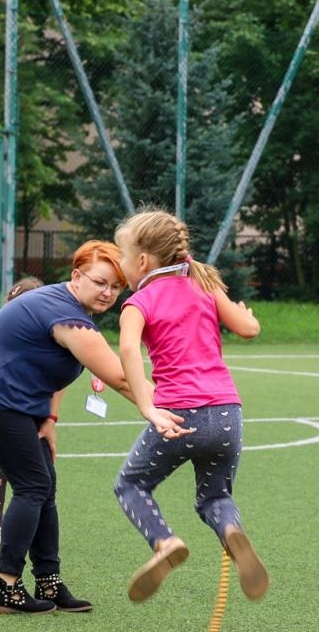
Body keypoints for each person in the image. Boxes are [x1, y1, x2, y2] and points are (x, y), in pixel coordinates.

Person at [0, 241, 156, 614]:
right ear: (76, 276)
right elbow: (121, 379)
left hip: (21, 403)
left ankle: (48, 582)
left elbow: (53, 371)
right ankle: (5, 588)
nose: (108, 292)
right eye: (101, 282)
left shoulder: (72, 309)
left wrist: (49, 419)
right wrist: (168, 410)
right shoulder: (65, 315)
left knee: (45, 486)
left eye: (116, 287)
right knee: (33, 485)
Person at [112, 209, 268, 602]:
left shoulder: (138, 301)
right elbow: (249, 329)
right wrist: (246, 314)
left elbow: (129, 348)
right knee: (215, 496)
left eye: (123, 257)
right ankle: (231, 532)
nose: (122, 266)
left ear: (143, 261)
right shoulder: (205, 285)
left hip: (178, 416)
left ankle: (165, 543)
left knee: (131, 484)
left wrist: (147, 404)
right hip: (228, 414)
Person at [0, 275, 44, 551]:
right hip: (6, 406)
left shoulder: (44, 334)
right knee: (2, 469)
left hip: (32, 408)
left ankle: (26, 526)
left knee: (39, 475)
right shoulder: (2, 335)